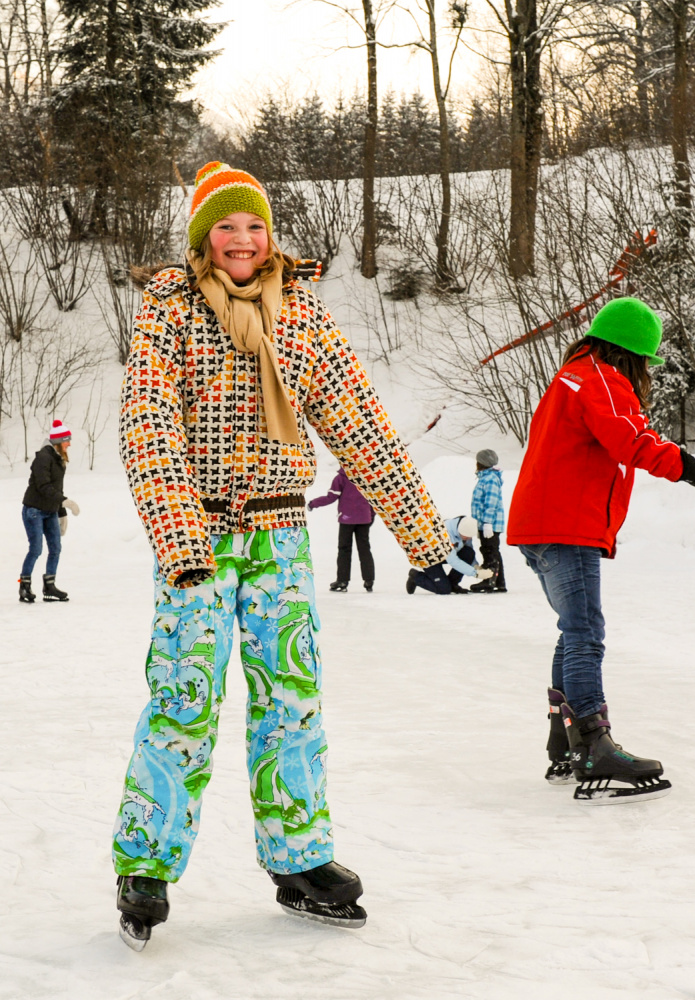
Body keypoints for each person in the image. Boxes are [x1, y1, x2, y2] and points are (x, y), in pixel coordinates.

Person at [112, 161, 453, 949]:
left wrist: (425, 540)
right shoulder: (170, 310)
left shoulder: (299, 316)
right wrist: (180, 541)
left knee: (291, 701)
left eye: (254, 225)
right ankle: (146, 864)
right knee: (184, 698)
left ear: (270, 236)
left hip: (280, 538)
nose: (241, 239)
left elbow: (361, 427)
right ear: (203, 239)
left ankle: (300, 859)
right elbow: (148, 427)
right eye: (225, 227)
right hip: (198, 532)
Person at [506, 297, 695, 804]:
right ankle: (593, 744)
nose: (646, 372)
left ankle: (564, 739)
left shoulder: (573, 376)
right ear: (629, 353)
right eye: (646, 362)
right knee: (585, 632)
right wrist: (693, 470)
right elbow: (631, 439)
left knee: (572, 630)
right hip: (566, 526)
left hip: (542, 526)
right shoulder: (602, 378)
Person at [19, 419, 80, 603]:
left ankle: (49, 587)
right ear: (57, 441)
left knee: (55, 548)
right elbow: (44, 486)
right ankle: (24, 586)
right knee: (36, 549)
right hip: (34, 510)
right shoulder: (43, 458)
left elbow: (57, 488)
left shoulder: (58, 458)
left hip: (50, 511)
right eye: (66, 440)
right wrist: (65, 502)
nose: (69, 443)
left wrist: (61, 512)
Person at [308, 467, 376, 592]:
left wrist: (313, 503)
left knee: (344, 549)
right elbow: (373, 498)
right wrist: (371, 515)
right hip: (364, 518)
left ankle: (342, 581)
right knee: (365, 549)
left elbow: (331, 497)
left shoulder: (341, 478)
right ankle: (369, 580)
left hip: (347, 518)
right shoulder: (366, 476)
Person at [405, 516, 494, 594]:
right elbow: (453, 561)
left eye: (469, 537)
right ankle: (416, 577)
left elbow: (468, 549)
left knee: (468, 552)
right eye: (466, 537)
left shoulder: (466, 528)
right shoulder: (445, 533)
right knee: (444, 590)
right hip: (429, 558)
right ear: (459, 530)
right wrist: (476, 573)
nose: (468, 539)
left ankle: (453, 584)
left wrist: (475, 566)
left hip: (444, 556)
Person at [469, 448, 507, 593]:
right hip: (485, 523)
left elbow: (491, 503)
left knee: (490, 551)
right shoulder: (486, 478)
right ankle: (499, 582)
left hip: (490, 523)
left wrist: (487, 523)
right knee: (490, 550)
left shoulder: (490, 479)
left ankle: (490, 580)